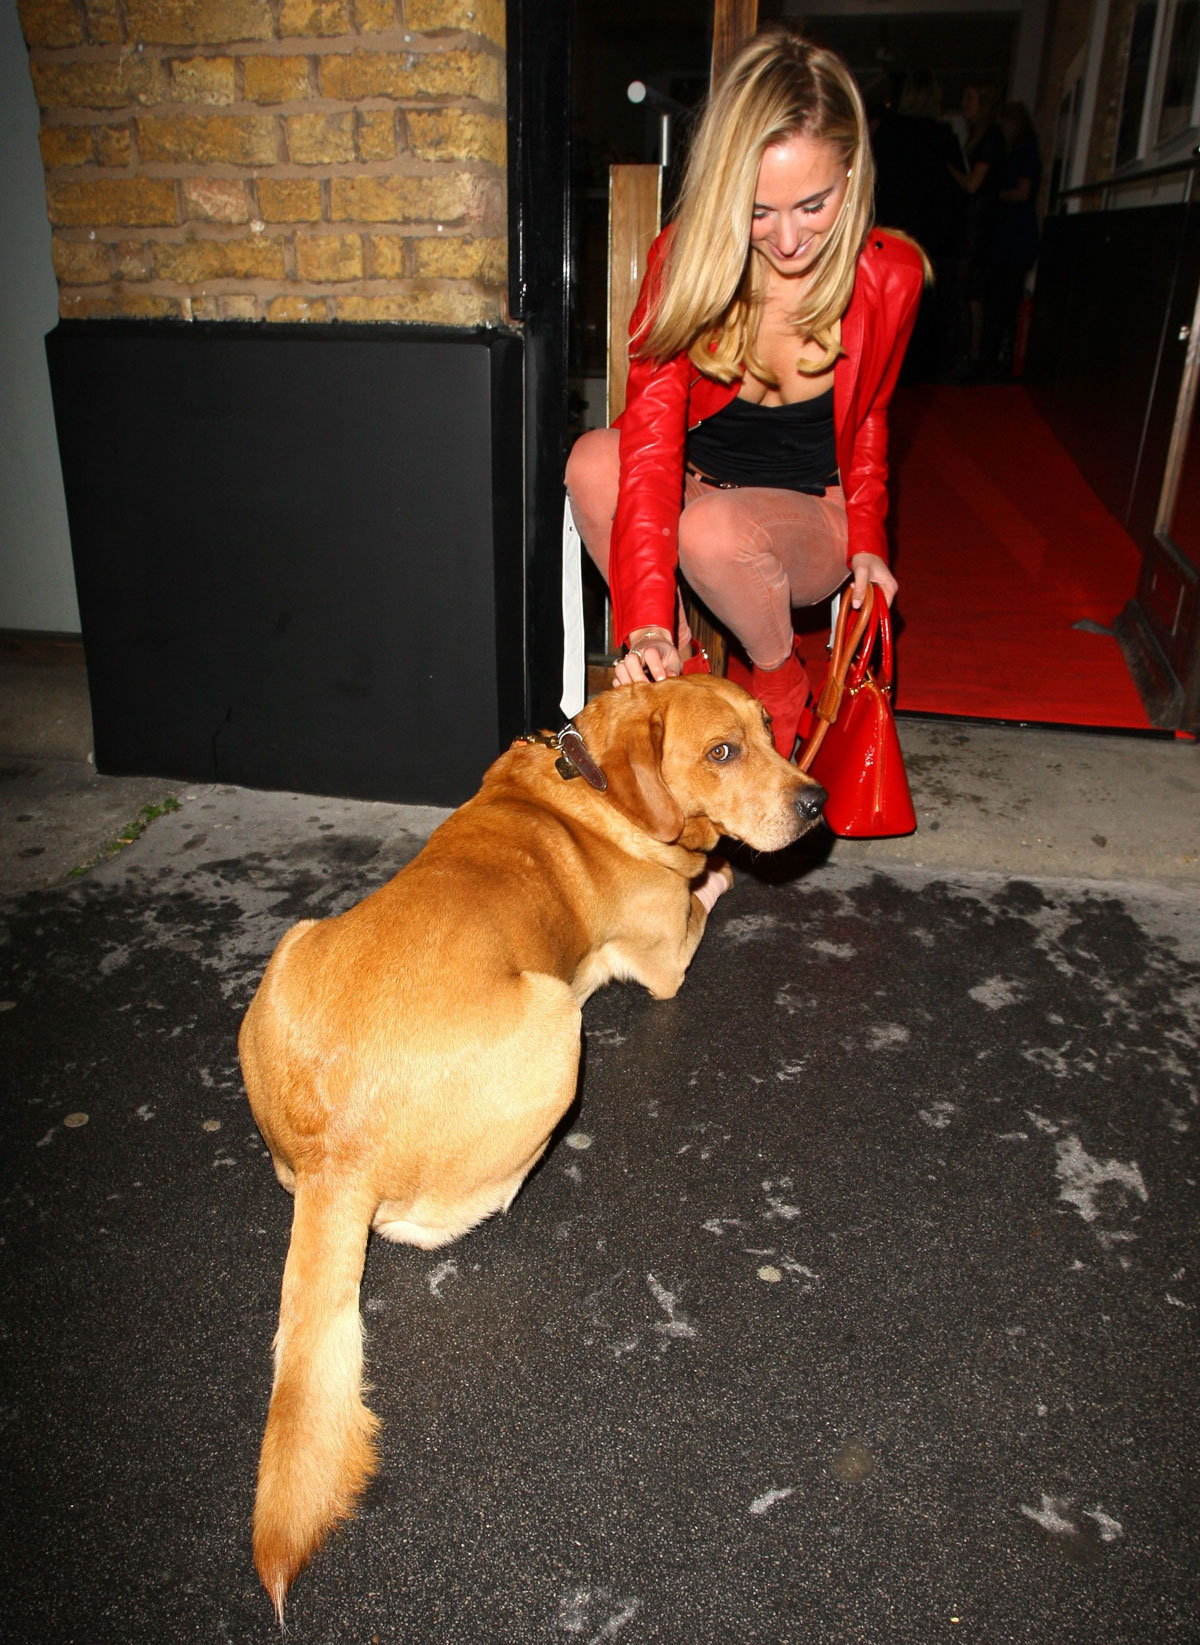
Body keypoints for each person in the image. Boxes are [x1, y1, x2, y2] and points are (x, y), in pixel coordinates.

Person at [565, 28, 928, 763]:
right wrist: (644, 625)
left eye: (813, 205)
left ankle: (778, 674)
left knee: (714, 532)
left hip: (807, 517)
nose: (789, 239)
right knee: (593, 460)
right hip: (702, 490)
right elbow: (652, 443)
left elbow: (870, 420)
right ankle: (687, 677)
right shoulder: (687, 264)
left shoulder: (892, 278)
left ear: (852, 176)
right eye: (760, 211)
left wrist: (868, 541)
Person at [980, 103, 1041, 378]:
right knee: (999, 302)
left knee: (1006, 304)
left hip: (1014, 240)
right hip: (1007, 238)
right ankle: (995, 362)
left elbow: (1023, 192)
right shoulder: (1015, 152)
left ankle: (1003, 365)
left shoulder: (1025, 151)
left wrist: (994, 195)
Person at [949, 81, 1005, 376]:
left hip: (981, 221)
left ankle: (969, 356)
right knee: (970, 291)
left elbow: (973, 184)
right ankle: (969, 354)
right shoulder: (977, 135)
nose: (964, 104)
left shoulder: (991, 136)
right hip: (974, 219)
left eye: (970, 97)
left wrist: (948, 169)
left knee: (969, 289)